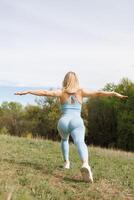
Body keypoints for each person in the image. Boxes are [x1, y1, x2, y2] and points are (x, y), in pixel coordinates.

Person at [14, 71, 128, 182]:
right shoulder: (81, 91)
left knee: (64, 139)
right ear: (76, 81)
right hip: (76, 121)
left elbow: (45, 92)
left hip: (63, 122)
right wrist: (113, 93)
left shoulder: (61, 92)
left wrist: (28, 91)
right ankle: (85, 164)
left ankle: (66, 162)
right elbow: (98, 93)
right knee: (79, 142)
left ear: (65, 80)